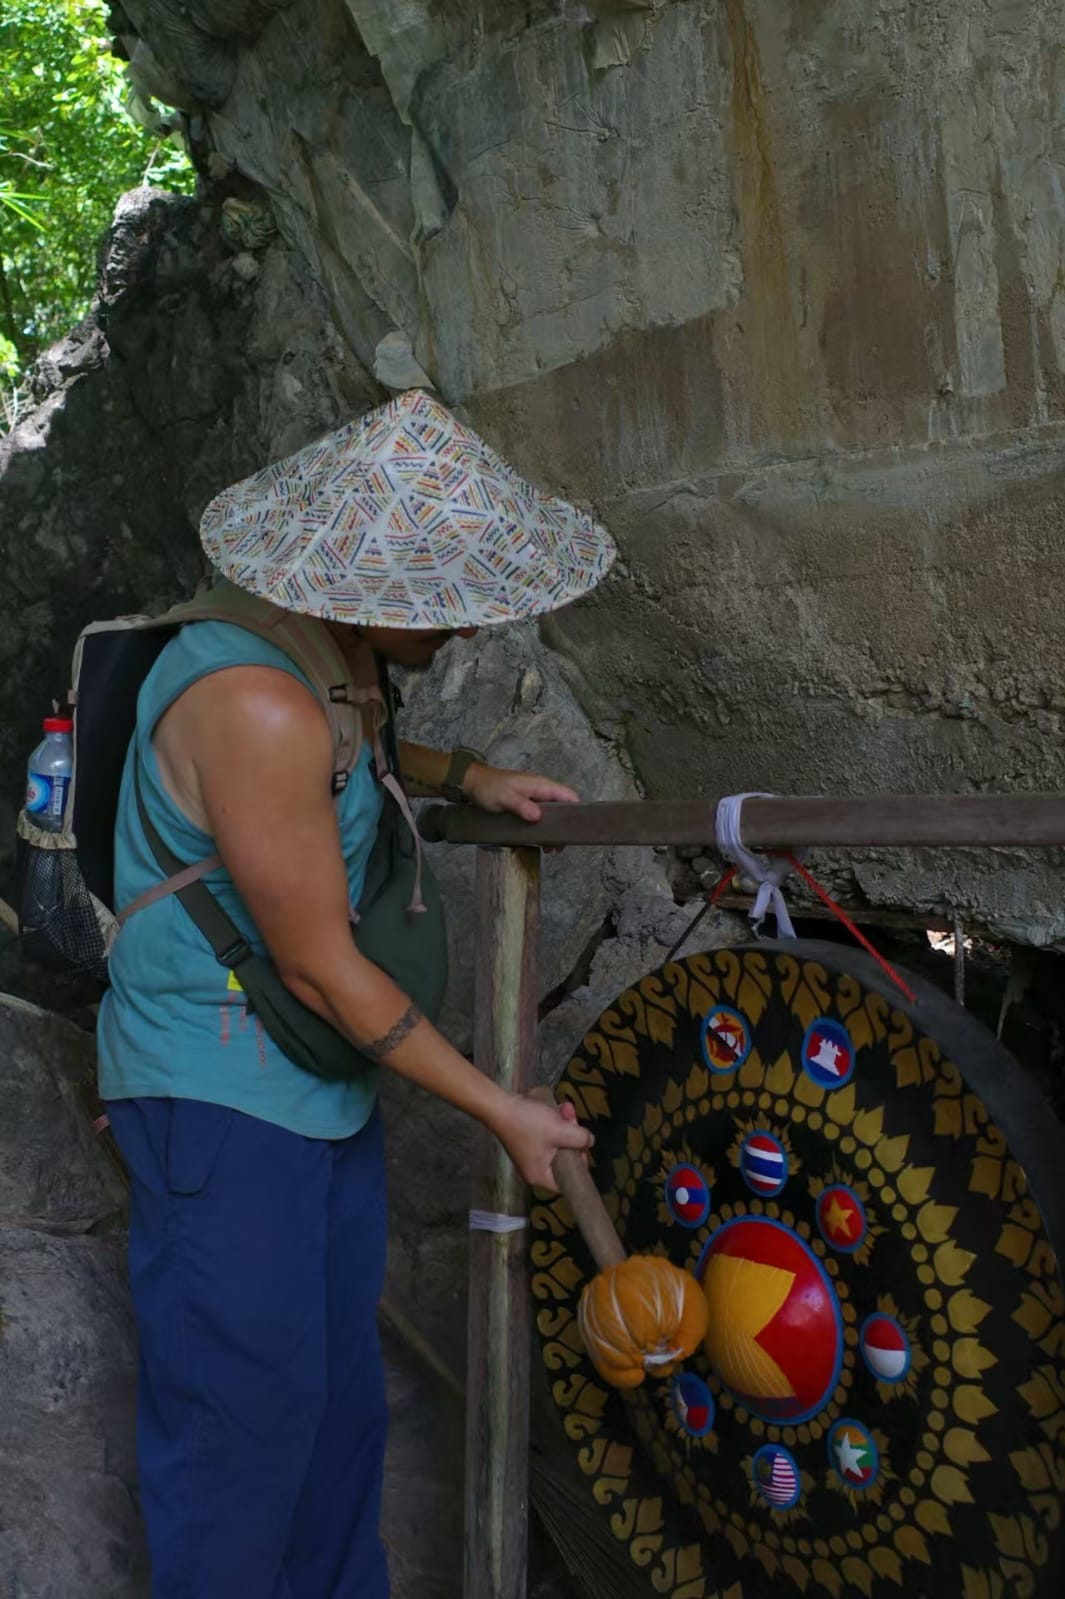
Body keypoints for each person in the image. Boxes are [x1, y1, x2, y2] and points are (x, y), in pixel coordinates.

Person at [97, 389, 616, 1599]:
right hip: (221, 1093)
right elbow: (322, 969)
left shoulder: (322, 657)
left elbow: (363, 748)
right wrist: (503, 1111)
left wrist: (470, 772)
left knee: (333, 1410)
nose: (465, 630)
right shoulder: (254, 701)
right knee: (241, 1424)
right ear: (366, 590)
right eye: (441, 608)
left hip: (312, 1096)